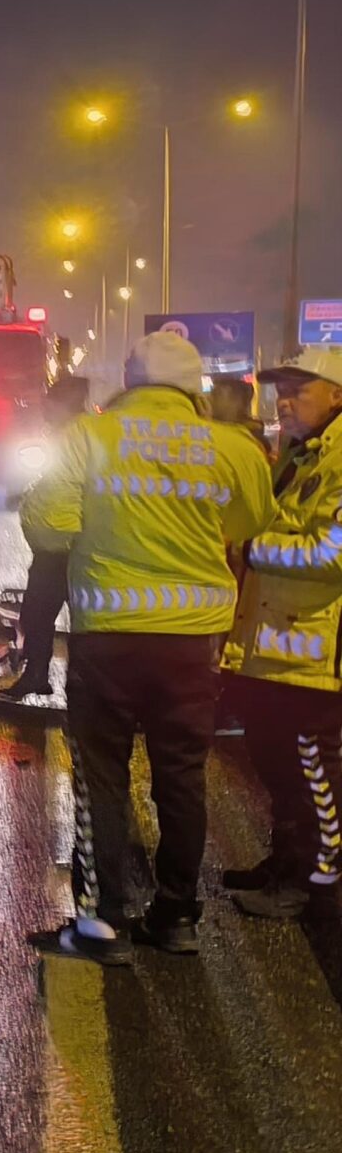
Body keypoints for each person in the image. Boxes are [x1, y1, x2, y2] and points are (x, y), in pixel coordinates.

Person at [22, 331, 273, 962]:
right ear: (194, 387)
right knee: (182, 777)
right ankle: (178, 917)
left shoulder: (89, 436)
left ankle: (102, 926)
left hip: (108, 637)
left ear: (130, 382)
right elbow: (250, 524)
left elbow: (48, 527)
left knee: (101, 778)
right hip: (192, 643)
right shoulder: (232, 446)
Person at [218, 346, 342, 920]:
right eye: (278, 390)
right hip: (279, 645)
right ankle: (287, 859)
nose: (283, 401)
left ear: (337, 395)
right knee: (273, 757)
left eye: (300, 389)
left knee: (313, 765)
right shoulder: (299, 452)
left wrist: (249, 550)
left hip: (318, 651)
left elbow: (333, 552)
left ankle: (317, 880)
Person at [0, 374, 92, 697]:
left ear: (61, 405)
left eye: (47, 405)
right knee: (39, 614)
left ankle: (72, 684)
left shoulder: (78, 436)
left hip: (71, 543)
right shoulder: (66, 435)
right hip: (56, 542)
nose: (43, 411)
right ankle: (41, 676)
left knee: (70, 617)